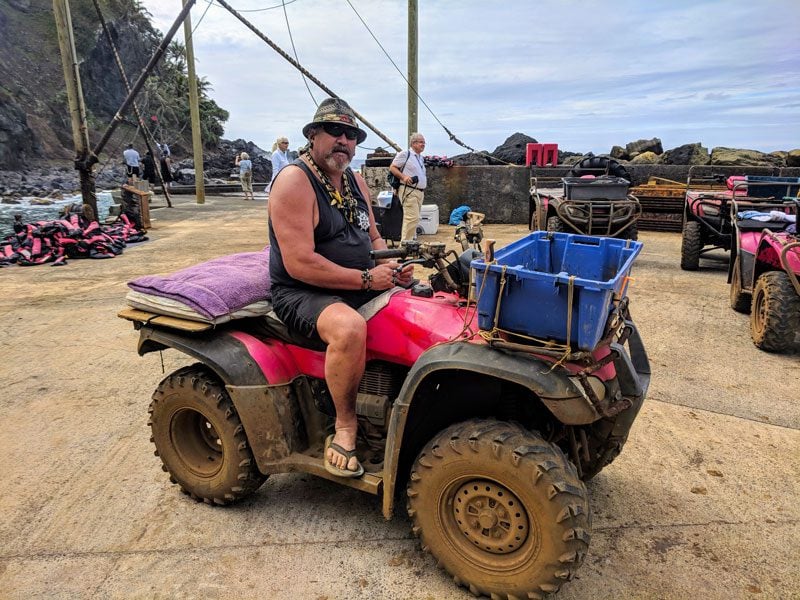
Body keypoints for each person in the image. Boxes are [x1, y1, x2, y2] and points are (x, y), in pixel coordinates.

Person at [268, 98, 414, 478]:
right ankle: (346, 427)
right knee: (350, 329)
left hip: (358, 279)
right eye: (335, 132)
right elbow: (299, 263)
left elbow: (376, 236)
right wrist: (366, 279)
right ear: (313, 135)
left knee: (424, 303)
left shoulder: (355, 180)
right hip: (302, 290)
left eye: (351, 135)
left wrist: (391, 266)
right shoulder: (294, 182)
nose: (344, 141)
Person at [389, 132, 427, 241]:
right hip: (409, 191)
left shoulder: (420, 158)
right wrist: (404, 177)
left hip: (419, 192)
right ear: (413, 143)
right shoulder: (405, 154)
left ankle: (410, 245)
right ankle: (405, 247)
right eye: (421, 142)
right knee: (411, 219)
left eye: (424, 143)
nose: (423, 145)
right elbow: (392, 168)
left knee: (414, 219)